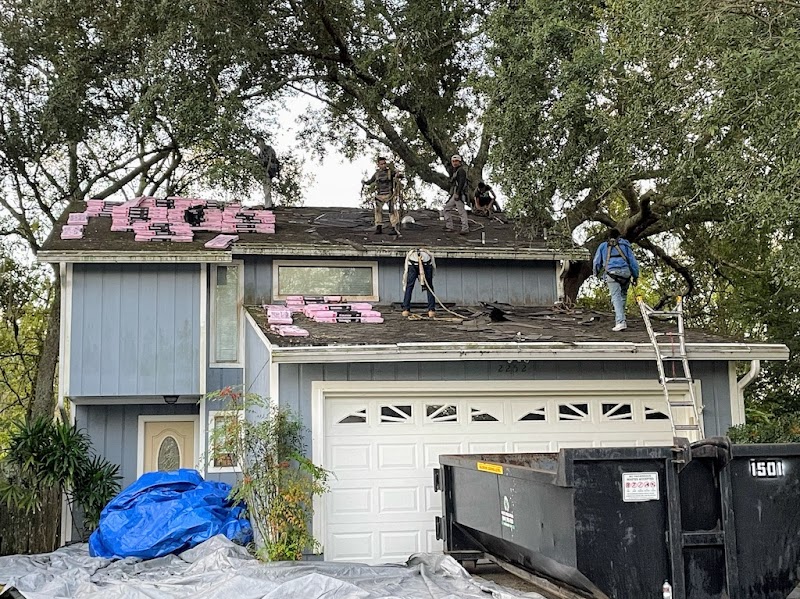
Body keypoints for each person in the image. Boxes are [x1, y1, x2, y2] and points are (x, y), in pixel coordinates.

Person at [593, 229, 640, 331]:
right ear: (619, 236)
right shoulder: (625, 245)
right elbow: (633, 262)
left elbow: (596, 262)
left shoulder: (603, 246)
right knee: (622, 295)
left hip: (612, 273)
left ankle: (620, 321)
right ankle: (621, 319)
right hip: (626, 274)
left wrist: (596, 273)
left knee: (616, 297)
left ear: (608, 237)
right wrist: (635, 276)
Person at [362, 157, 401, 235]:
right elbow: (370, 181)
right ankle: (378, 227)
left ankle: (394, 228)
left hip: (389, 195)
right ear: (378, 165)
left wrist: (398, 174)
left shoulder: (390, 172)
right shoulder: (376, 174)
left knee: (392, 211)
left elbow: (398, 176)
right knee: (378, 211)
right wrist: (365, 182)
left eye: (384, 164)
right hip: (380, 196)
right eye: (381, 164)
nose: (383, 165)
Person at [401, 248, 436, 318]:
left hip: (414, 261)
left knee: (409, 286)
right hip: (426, 261)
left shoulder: (412, 252)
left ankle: (406, 309)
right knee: (429, 286)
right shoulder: (426, 252)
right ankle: (431, 310)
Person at [443, 154, 469, 234]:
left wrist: (458, 193)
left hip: (459, 194)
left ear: (460, 162)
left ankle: (465, 228)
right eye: (453, 161)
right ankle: (449, 226)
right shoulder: (455, 171)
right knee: (446, 209)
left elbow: (461, 183)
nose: (454, 163)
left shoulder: (461, 171)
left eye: (456, 161)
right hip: (455, 194)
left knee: (461, 211)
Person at [256, 138, 280, 209]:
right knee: (266, 189)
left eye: (260, 143)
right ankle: (268, 204)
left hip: (270, 171)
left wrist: (267, 171)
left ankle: (268, 205)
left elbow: (270, 161)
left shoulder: (269, 150)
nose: (259, 145)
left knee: (267, 189)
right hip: (264, 172)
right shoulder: (260, 153)